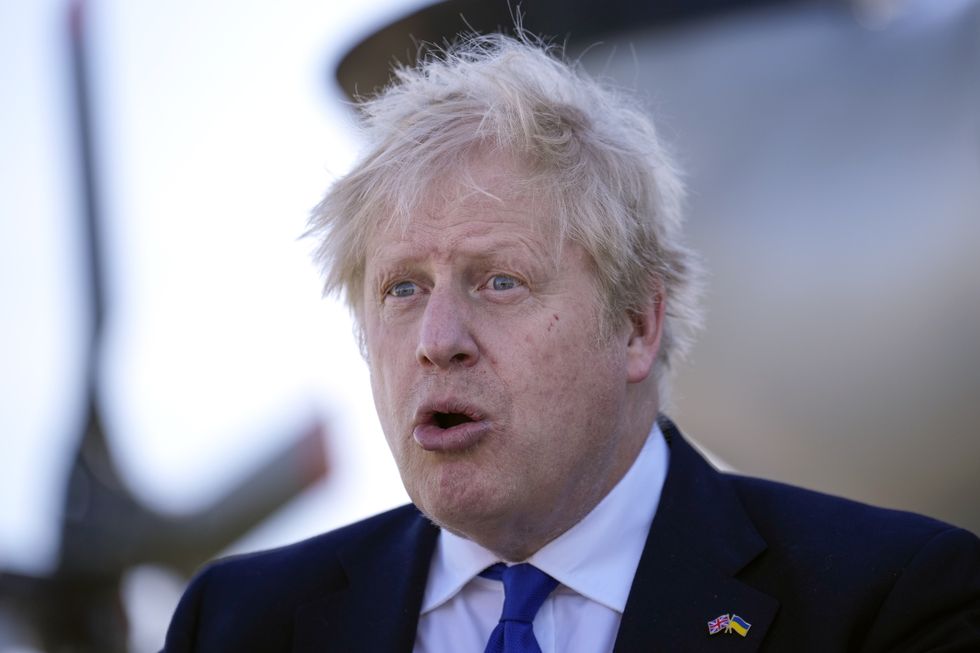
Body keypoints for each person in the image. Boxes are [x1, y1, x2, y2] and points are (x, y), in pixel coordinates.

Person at [162, 34, 980, 652]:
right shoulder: (235, 623)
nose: (437, 341)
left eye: (499, 281)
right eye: (402, 289)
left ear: (636, 323)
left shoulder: (893, 601)